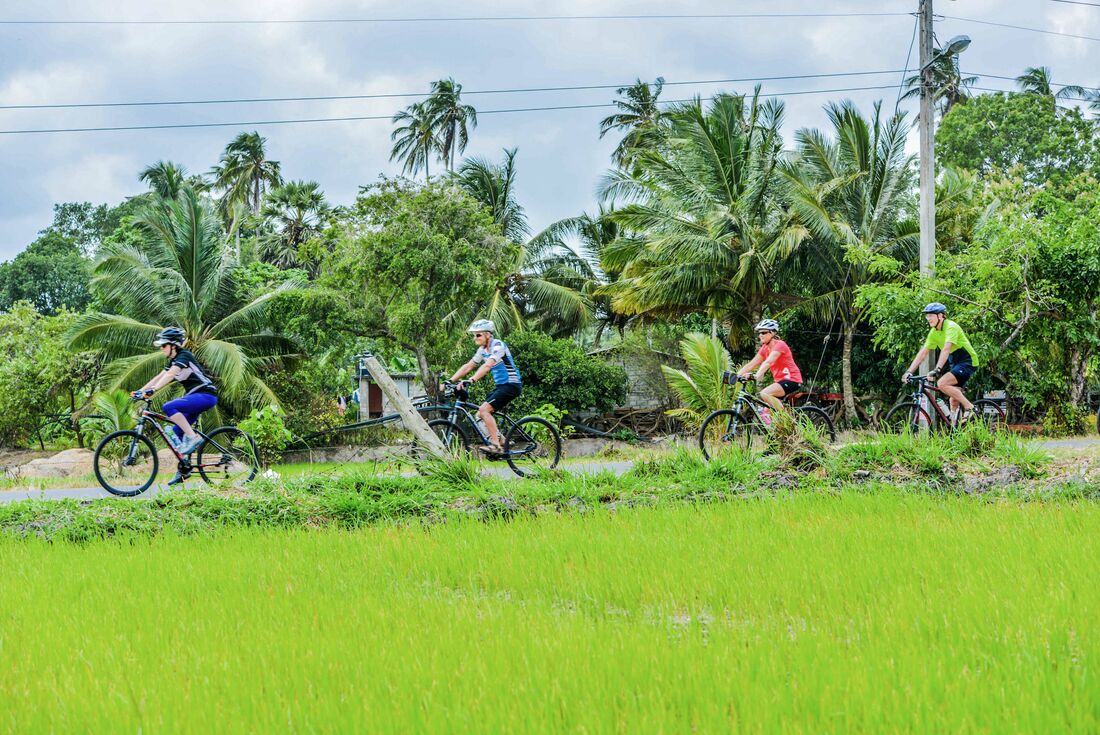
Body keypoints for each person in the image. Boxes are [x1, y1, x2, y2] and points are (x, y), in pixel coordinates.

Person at [131, 327, 219, 484]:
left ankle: (193, 438)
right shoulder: (173, 361)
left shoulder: (184, 356)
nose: (161, 348)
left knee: (169, 406)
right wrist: (141, 391)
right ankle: (183, 471)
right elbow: (160, 376)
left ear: (173, 345)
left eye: (164, 345)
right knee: (176, 433)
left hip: (206, 395)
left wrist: (154, 390)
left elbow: (171, 375)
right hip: (195, 398)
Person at [445, 319, 522, 453]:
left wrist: (471, 380)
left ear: (488, 334)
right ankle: (501, 440)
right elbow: (468, 366)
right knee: (479, 414)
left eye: (478, 335)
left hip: (511, 384)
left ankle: (496, 445)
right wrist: (450, 381)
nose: (475, 338)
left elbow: (487, 366)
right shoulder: (482, 350)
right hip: (501, 386)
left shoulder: (498, 346)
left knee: (484, 410)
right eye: (474, 335)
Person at [902, 303, 979, 424]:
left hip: (967, 361)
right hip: (955, 362)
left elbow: (946, 349)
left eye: (931, 315)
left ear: (941, 316)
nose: (928, 318)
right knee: (953, 400)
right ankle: (957, 430)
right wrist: (909, 371)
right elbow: (922, 353)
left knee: (942, 383)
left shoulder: (951, 327)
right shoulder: (933, 333)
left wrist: (937, 369)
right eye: (927, 316)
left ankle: (970, 408)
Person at [736, 319, 803, 425]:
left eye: (763, 332)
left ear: (772, 333)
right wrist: (735, 376)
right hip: (780, 383)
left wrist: (757, 375)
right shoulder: (764, 348)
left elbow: (768, 362)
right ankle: (783, 434)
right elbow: (751, 364)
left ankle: (790, 422)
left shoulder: (780, 345)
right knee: (767, 413)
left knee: (764, 393)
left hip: (792, 379)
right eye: (759, 333)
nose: (760, 335)